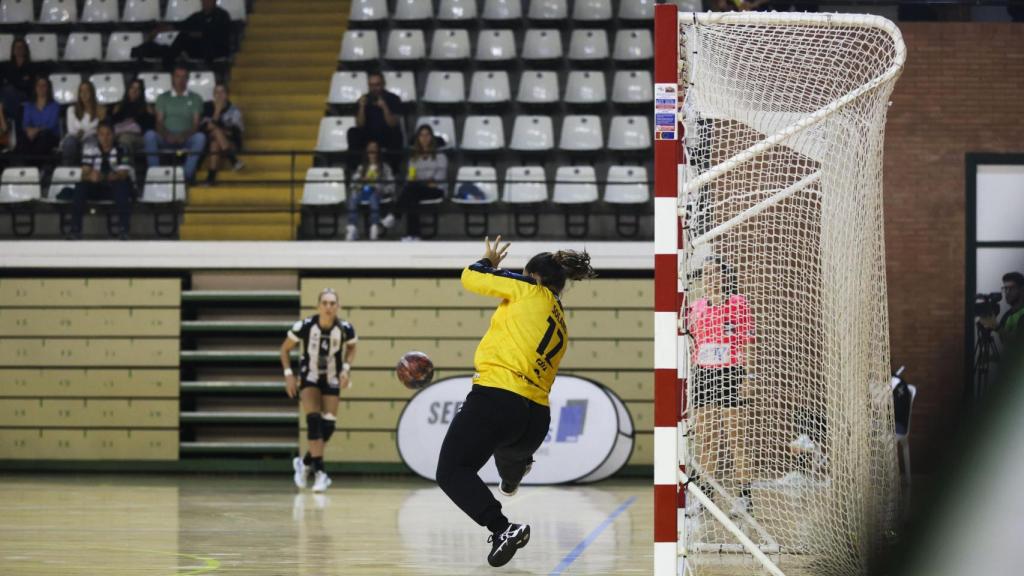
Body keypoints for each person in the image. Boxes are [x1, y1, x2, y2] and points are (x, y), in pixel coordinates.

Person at [436, 236, 597, 568]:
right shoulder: (561, 320)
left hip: (497, 395)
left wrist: (488, 262)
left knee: (452, 471)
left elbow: (470, 276)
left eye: (525, 274)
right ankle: (513, 470)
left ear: (534, 277)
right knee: (506, 446)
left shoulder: (528, 289)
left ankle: (503, 528)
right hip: (535, 417)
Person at [685, 255, 755, 515]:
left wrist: (748, 377)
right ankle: (704, 497)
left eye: (716, 272)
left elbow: (747, 343)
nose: (711, 277)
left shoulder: (738, 304)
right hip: (704, 375)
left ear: (726, 277)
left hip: (731, 373)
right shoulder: (695, 307)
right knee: (706, 439)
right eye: (706, 272)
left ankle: (744, 497)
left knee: (736, 437)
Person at [279, 288, 358, 493]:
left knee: (328, 427)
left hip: (331, 377)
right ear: (318, 306)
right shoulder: (305, 326)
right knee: (313, 420)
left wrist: (346, 369)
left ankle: (304, 463)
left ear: (338, 307)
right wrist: (289, 374)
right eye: (325, 303)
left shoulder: (345, 328)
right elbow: (284, 349)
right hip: (309, 377)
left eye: (333, 303)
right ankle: (321, 472)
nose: (329, 307)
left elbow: (352, 348)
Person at [66, 122, 135, 240]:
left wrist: (102, 177)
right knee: (81, 186)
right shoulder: (90, 149)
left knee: (121, 185)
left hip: (114, 187)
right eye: (102, 134)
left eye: (108, 134)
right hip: (96, 187)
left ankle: (124, 230)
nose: (105, 138)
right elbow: (84, 172)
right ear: (97, 135)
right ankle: (75, 230)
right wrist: (90, 177)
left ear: (113, 135)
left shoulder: (122, 149)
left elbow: (122, 174)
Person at [382, 124, 447, 241]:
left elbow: (438, 180)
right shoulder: (414, 158)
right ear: (418, 138)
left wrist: (420, 181)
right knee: (412, 196)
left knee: (412, 190)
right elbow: (410, 177)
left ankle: (395, 215)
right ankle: (414, 235)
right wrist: (420, 181)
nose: (424, 138)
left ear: (431, 137)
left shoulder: (440, 156)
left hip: (436, 190)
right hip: (417, 189)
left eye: (427, 135)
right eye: (421, 135)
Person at [144, 65, 206, 183]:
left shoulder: (196, 98)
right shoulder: (163, 98)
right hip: (166, 137)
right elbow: (159, 123)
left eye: (184, 77)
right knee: (149, 135)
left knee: (200, 138)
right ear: (173, 78)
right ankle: (155, 175)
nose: (181, 80)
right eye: (178, 76)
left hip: (187, 138)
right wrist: (167, 135)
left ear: (188, 79)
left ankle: (185, 176)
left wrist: (184, 135)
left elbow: (196, 124)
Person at [131, 0, 232, 69]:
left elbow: (217, 35)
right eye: (204, 1)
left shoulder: (222, 15)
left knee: (184, 38)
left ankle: (167, 63)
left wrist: (198, 34)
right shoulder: (198, 16)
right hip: (200, 49)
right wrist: (160, 29)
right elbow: (182, 25)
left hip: (216, 49)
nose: (206, 3)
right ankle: (161, 58)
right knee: (181, 38)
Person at [345, 140, 395, 241]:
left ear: (378, 151)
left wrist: (378, 185)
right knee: (353, 197)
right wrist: (361, 181)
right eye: (370, 149)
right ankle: (352, 227)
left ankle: (374, 226)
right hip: (363, 191)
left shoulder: (385, 168)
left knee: (373, 196)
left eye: (374, 149)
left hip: (377, 192)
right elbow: (352, 184)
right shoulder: (361, 167)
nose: (372, 151)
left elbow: (391, 185)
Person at [346, 71, 404, 157]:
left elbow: (393, 124)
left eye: (377, 85)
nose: (374, 88)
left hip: (386, 133)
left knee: (396, 133)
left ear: (383, 84)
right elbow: (360, 124)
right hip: (368, 134)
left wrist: (384, 107)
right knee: (352, 132)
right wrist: (361, 107)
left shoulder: (393, 98)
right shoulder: (363, 99)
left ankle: (394, 168)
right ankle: (354, 167)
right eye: (371, 85)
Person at [200, 83, 244, 184]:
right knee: (215, 140)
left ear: (228, 95)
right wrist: (217, 111)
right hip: (211, 143)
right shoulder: (207, 107)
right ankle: (233, 160)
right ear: (213, 94)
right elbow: (206, 127)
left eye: (222, 92)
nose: (219, 95)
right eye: (217, 92)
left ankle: (211, 177)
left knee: (216, 135)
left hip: (231, 143)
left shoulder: (234, 111)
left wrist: (219, 130)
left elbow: (235, 132)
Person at [980, 271, 1024, 361]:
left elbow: (1018, 344)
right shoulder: (1007, 315)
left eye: (1011, 288)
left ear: (1022, 289)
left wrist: (996, 326)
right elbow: (1009, 347)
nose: (1007, 292)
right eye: (1005, 288)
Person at [18, 75, 60, 167]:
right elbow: (25, 124)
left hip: (49, 136)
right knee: (23, 138)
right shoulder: (29, 105)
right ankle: (26, 168)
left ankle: (35, 167)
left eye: (44, 85)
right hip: (32, 135)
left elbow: (50, 125)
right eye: (38, 85)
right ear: (35, 88)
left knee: (43, 138)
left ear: (48, 88)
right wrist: (30, 131)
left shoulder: (55, 106)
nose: (41, 88)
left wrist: (35, 130)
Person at [61, 80, 105, 166]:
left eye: (87, 90)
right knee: (70, 142)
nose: (84, 93)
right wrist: (91, 130)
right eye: (81, 91)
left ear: (92, 93)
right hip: (73, 138)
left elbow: (99, 130)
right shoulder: (71, 109)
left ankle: (88, 171)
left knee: (91, 142)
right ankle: (68, 171)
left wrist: (83, 132)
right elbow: (72, 131)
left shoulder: (99, 110)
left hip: (91, 138)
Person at [111, 78, 155, 160]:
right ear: (128, 89)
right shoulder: (119, 106)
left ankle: (126, 166)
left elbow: (149, 128)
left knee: (125, 139)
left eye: (138, 89)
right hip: (119, 135)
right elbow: (112, 123)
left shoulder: (146, 107)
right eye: (132, 88)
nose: (134, 91)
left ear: (141, 92)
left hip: (139, 137)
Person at [1, 38, 39, 121]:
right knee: (7, 91)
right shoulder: (6, 66)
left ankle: (11, 118)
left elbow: (30, 84)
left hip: (25, 95)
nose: (19, 49)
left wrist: (14, 82)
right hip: (9, 95)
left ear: (25, 50)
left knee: (8, 90)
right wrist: (21, 81)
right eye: (16, 47)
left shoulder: (32, 66)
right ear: (13, 50)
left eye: (21, 47)